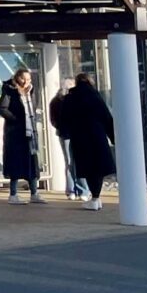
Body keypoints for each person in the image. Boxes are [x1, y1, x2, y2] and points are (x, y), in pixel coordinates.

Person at [50, 70, 118, 212]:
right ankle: (96, 197)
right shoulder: (95, 96)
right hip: (98, 136)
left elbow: (64, 118)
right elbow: (106, 116)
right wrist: (112, 136)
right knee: (98, 168)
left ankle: (94, 198)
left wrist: (64, 133)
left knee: (86, 168)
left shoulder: (71, 97)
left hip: (80, 137)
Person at [0, 67, 40, 202]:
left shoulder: (31, 91)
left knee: (32, 163)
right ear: (18, 78)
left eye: (29, 79)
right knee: (16, 163)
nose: (27, 81)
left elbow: (33, 107)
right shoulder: (10, 90)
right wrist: (15, 119)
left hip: (29, 133)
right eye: (24, 78)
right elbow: (2, 108)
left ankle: (34, 193)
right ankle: (13, 194)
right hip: (16, 134)